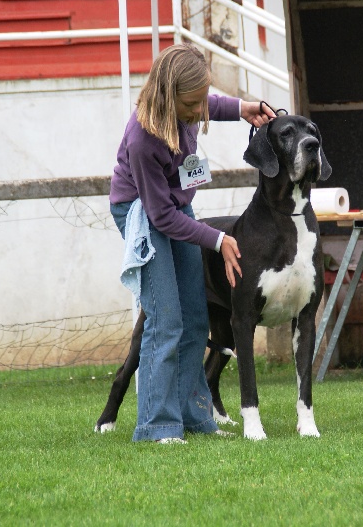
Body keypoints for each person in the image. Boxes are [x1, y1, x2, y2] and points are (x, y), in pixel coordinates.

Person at [109, 43, 275, 443]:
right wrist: (218, 239)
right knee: (165, 319)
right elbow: (159, 216)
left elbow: (210, 102)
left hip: (174, 208)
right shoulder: (143, 139)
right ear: (169, 98)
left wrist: (242, 108)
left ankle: (194, 416)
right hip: (141, 214)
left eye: (202, 100)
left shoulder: (189, 106)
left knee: (196, 317)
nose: (200, 111)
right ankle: (156, 425)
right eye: (192, 104)